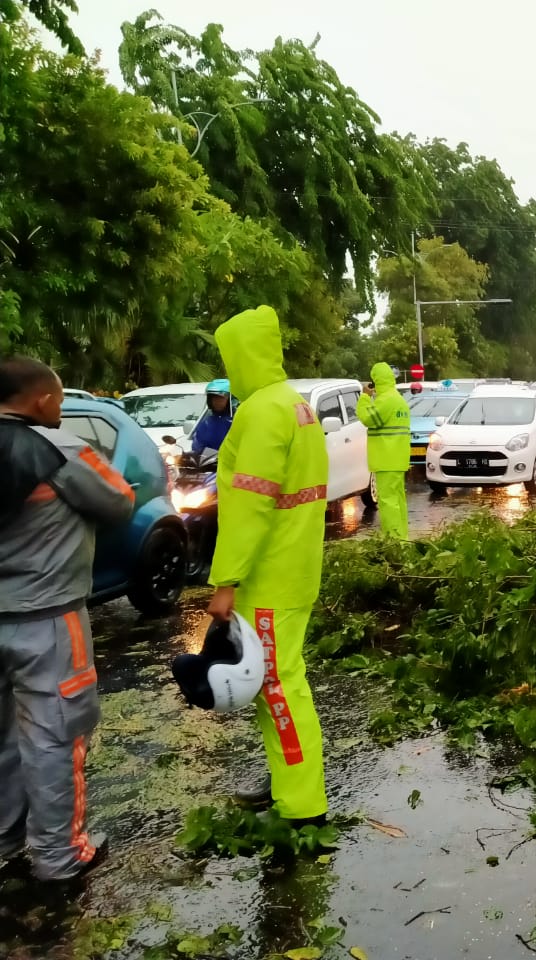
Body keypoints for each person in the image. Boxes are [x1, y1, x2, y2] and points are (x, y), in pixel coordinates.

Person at [0, 357, 135, 879]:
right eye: (57, 398)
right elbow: (120, 501)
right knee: (54, 733)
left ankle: (5, 839)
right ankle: (58, 856)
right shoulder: (62, 451)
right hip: (48, 619)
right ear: (40, 401)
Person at [205, 306, 329, 827]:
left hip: (268, 574)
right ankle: (286, 780)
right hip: (293, 567)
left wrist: (225, 580)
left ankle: (301, 805)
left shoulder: (260, 412)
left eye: (230, 359)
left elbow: (250, 506)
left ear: (244, 356)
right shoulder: (295, 405)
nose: (229, 370)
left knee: (277, 684)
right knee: (277, 682)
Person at [355, 362, 410, 540]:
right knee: (398, 500)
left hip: (387, 458)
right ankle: (402, 538)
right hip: (397, 458)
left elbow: (368, 418)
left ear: (376, 380)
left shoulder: (386, 400)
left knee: (387, 501)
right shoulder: (397, 399)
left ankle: (394, 540)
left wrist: (364, 397)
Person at [191, 378, 234, 457]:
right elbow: (197, 446)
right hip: (208, 465)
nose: (216, 402)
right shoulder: (206, 422)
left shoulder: (237, 420)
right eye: (214, 398)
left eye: (221, 398)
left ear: (230, 399)